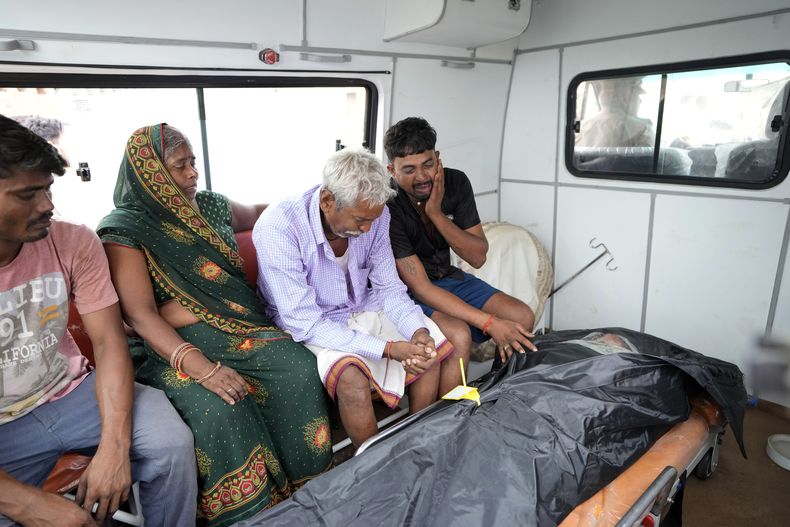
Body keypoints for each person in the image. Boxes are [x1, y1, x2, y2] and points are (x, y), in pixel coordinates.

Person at [97, 124, 332, 526]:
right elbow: (140, 316)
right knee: (220, 406)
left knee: (299, 369)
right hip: (169, 346)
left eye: (193, 162)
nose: (193, 173)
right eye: (180, 166)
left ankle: (308, 489)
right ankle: (249, 512)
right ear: (150, 173)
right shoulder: (125, 229)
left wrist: (317, 209)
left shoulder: (210, 205)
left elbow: (261, 212)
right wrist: (202, 369)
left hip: (240, 326)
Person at [0, 114, 197, 526]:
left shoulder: (72, 241)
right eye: (28, 194)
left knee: (170, 443)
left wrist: (114, 448)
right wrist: (28, 505)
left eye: (48, 189)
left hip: (71, 392)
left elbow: (108, 344)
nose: (48, 205)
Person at [254, 148, 460, 449]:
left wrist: (418, 332)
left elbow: (389, 289)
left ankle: (418, 445)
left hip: (363, 305)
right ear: (327, 201)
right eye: (360, 221)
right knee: (351, 379)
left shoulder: (376, 215)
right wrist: (388, 349)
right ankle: (373, 462)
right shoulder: (279, 227)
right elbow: (305, 322)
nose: (366, 230)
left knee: (426, 351)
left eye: (371, 221)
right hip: (312, 324)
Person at [384, 117, 536, 366]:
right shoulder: (389, 203)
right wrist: (490, 323)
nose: (422, 177)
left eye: (428, 165)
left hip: (448, 278)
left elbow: (477, 257)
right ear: (392, 170)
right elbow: (421, 288)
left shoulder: (456, 182)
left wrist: (436, 214)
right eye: (409, 170)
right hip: (410, 291)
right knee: (460, 335)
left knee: (521, 316)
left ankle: (500, 385)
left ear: (438, 158)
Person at [575, 77, 655, 148]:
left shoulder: (579, 127)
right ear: (626, 97)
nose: (640, 101)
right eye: (637, 95)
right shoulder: (643, 129)